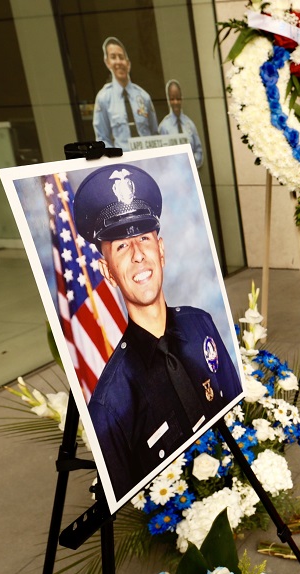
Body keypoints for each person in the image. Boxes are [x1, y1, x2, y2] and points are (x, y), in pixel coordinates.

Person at [73, 163, 242, 499]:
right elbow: (130, 500)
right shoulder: (111, 403)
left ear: (161, 250)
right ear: (107, 271)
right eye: (121, 246)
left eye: (144, 238)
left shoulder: (201, 325)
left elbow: (235, 407)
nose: (138, 255)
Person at [93, 37, 158, 149]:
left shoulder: (144, 97)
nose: (118, 62)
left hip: (148, 158)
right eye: (113, 57)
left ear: (128, 63)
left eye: (121, 57)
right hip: (122, 159)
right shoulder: (103, 99)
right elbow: (103, 140)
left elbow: (155, 134)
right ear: (107, 62)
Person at [158, 79, 204, 168]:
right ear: (168, 100)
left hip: (191, 172)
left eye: (178, 98)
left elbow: (199, 152)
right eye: (172, 99)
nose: (175, 102)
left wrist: (190, 161)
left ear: (182, 98)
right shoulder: (164, 127)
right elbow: (162, 158)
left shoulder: (190, 124)